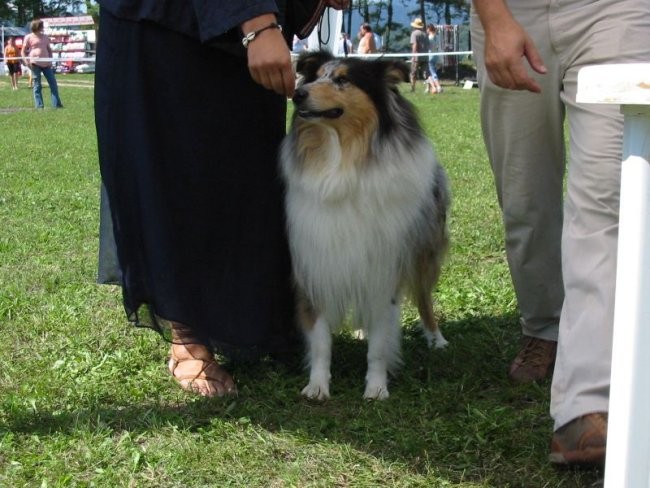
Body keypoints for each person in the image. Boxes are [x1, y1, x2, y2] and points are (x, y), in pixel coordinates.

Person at [95, 0, 350, 398]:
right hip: (171, 24)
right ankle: (188, 333)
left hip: (245, 30)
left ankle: (259, 320)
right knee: (181, 170)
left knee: (249, 172)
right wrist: (256, 23)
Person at [471, 0, 650, 466]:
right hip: (512, 9)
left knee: (608, 198)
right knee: (525, 197)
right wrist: (494, 17)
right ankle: (543, 327)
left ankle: (589, 403)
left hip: (615, 11)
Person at [21, 19, 63, 109]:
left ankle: (57, 104)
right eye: (41, 26)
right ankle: (39, 106)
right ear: (37, 27)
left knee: (53, 83)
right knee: (37, 85)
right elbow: (23, 51)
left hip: (46, 64)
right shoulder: (28, 37)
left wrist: (50, 60)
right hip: (34, 63)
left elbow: (49, 49)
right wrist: (26, 61)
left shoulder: (45, 37)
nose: (42, 27)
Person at [409, 18, 429, 92]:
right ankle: (428, 87)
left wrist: (413, 55)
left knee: (413, 72)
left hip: (417, 56)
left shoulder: (414, 34)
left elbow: (414, 45)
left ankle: (413, 88)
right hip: (425, 55)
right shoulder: (425, 34)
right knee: (426, 73)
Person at [425, 24, 442, 94]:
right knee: (431, 72)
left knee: (432, 72)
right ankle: (429, 88)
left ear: (429, 29)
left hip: (430, 55)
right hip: (436, 55)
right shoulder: (437, 37)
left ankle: (438, 87)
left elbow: (427, 47)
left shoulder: (429, 38)